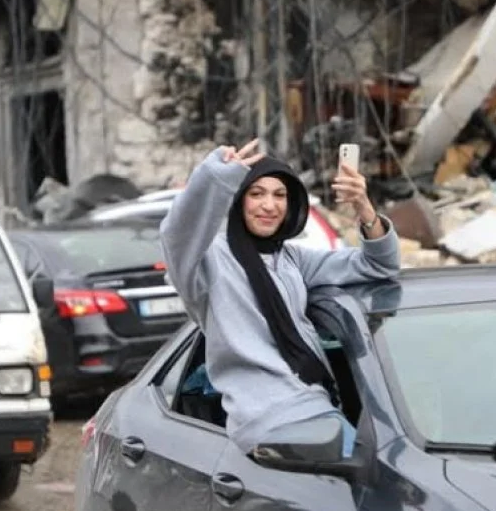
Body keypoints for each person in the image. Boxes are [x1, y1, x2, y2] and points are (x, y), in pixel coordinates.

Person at [159, 138, 401, 458]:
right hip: (273, 420)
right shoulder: (211, 261)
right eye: (256, 193)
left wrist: (364, 207)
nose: (269, 205)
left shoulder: (291, 260)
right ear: (237, 200)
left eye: (280, 195)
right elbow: (177, 235)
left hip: (316, 408)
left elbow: (379, 265)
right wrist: (213, 175)